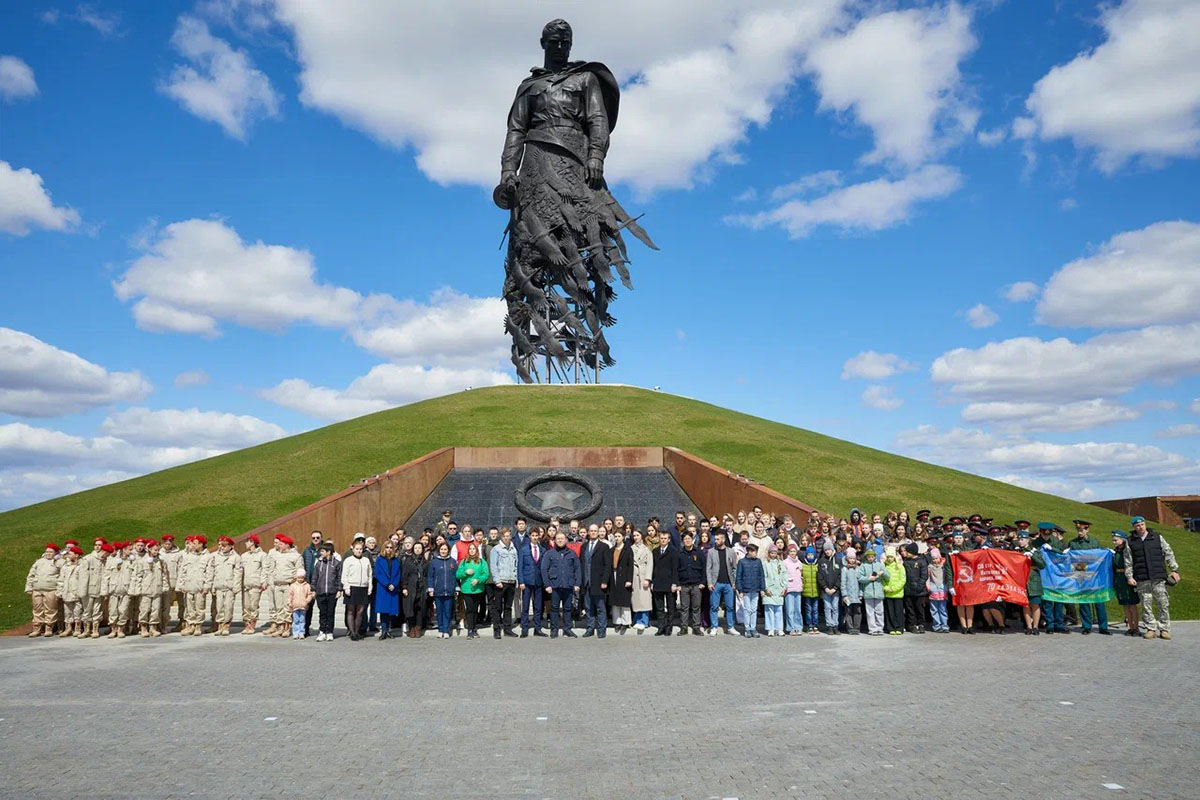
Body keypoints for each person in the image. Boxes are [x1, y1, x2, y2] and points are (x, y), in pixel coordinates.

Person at [1125, 516, 1181, 640]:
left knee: (1163, 603)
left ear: (1145, 524)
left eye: (1142, 524)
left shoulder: (1156, 537)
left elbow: (1168, 552)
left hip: (1158, 577)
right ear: (1134, 527)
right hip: (1142, 578)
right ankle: (1150, 628)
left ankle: (1164, 628)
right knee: (1146, 604)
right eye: (1137, 525)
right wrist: (1129, 576)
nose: (1140, 527)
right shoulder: (1130, 541)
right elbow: (1128, 560)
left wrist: (1174, 570)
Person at [1066, 519, 1109, 635]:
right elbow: (1070, 560)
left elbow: (1100, 558)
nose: (1080, 532)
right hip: (1080, 572)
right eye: (1078, 530)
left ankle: (1103, 626)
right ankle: (1086, 626)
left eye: (1082, 530)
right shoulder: (1073, 543)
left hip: (1094, 574)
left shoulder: (1094, 542)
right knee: (1084, 601)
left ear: (1087, 530)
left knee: (1099, 601)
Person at [541, 530, 581, 638]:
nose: (560, 540)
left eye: (562, 539)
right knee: (554, 609)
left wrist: (577, 583)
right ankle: (554, 630)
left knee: (568, 608)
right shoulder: (549, 553)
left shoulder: (571, 553)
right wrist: (547, 584)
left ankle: (567, 629)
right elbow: (544, 569)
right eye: (558, 539)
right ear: (554, 540)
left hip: (568, 585)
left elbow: (577, 569)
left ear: (566, 540)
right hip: (555, 585)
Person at [266, 535, 302, 638]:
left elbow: (298, 571)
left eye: (281, 544)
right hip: (277, 584)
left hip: (288, 585)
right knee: (279, 607)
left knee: (287, 607)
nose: (279, 546)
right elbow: (272, 569)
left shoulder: (296, 556)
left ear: (287, 545)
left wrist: (294, 584)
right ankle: (280, 627)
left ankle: (287, 627)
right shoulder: (276, 555)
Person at [487, 528, 519, 639]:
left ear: (511, 536)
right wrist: (497, 580)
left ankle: (507, 629)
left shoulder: (514, 549)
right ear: (501, 537)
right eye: (504, 536)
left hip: (511, 581)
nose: (506, 538)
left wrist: (517, 580)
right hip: (501, 582)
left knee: (508, 607)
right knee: (497, 607)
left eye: (508, 536)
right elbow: (493, 566)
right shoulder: (496, 549)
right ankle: (496, 630)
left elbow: (516, 566)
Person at [131, 540, 168, 638]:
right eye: (154, 550)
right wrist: (137, 588)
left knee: (155, 609)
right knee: (144, 609)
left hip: (157, 589)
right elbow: (138, 576)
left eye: (157, 550)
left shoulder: (161, 561)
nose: (156, 552)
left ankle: (153, 628)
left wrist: (165, 586)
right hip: (146, 589)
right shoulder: (143, 561)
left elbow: (164, 575)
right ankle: (143, 627)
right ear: (150, 550)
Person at [705, 530, 739, 636]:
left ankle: (730, 627)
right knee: (714, 606)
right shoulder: (711, 551)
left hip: (728, 583)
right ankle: (714, 627)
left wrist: (734, 582)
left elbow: (734, 568)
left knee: (730, 607)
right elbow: (708, 568)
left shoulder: (730, 551)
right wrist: (710, 583)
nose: (716, 541)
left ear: (723, 539)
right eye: (715, 539)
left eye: (718, 539)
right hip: (716, 583)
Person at [580, 525, 611, 638]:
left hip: (598, 582)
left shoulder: (604, 546)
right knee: (588, 607)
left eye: (595, 531)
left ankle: (601, 630)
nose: (593, 532)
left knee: (600, 607)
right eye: (591, 531)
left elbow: (608, 565)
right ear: (588, 532)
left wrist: (605, 581)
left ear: (598, 532)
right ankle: (590, 628)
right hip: (586, 582)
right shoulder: (584, 546)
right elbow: (581, 564)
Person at [177, 536, 211, 637]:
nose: (193, 545)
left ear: (201, 544)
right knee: (189, 608)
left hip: (199, 587)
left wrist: (206, 586)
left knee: (199, 607)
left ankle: (198, 626)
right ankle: (190, 625)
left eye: (195, 543)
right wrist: (181, 585)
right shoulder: (188, 556)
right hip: (189, 585)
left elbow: (209, 574)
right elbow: (183, 571)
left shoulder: (207, 557)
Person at [209, 536, 243, 636]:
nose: (222, 547)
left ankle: (226, 625)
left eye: (224, 545)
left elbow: (238, 573)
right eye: (221, 545)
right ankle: (220, 625)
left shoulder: (235, 557)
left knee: (228, 607)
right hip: (219, 585)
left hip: (229, 586)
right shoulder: (215, 556)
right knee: (219, 607)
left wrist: (236, 586)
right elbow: (212, 572)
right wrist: (212, 585)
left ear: (230, 546)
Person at [341, 539, 374, 641]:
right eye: (357, 549)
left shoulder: (366, 560)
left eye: (360, 549)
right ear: (353, 549)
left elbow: (370, 575)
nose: (359, 551)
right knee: (351, 611)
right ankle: (352, 632)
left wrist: (370, 587)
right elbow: (344, 575)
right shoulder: (348, 560)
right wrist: (346, 587)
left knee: (360, 611)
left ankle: (357, 631)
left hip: (363, 587)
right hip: (352, 587)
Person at [1110, 530, 1141, 636]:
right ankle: (1130, 628)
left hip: (1128, 578)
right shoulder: (1116, 552)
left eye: (1116, 540)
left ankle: (1136, 627)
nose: (1114, 542)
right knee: (1125, 605)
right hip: (1119, 579)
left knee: (1132, 604)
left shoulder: (1128, 551)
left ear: (1122, 539)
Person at [456, 542, 490, 639]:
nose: (472, 550)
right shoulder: (464, 562)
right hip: (467, 590)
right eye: (470, 549)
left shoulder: (482, 561)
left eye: (473, 549)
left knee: (475, 609)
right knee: (470, 609)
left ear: (476, 550)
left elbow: (485, 574)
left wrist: (478, 580)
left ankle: (474, 628)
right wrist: (465, 572)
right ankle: (470, 629)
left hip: (478, 589)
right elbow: (458, 574)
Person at [517, 528, 546, 637]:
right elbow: (520, 566)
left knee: (538, 606)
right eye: (533, 535)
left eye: (536, 535)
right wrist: (521, 581)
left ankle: (537, 628)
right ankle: (524, 628)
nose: (534, 537)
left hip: (538, 581)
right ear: (530, 537)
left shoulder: (542, 550)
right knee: (525, 606)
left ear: (539, 536)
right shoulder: (523, 549)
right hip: (527, 582)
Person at [310, 542, 342, 641]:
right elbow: (314, 577)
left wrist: (339, 589)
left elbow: (339, 577)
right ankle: (322, 631)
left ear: (329, 552)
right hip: (321, 592)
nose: (321, 553)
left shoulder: (337, 563)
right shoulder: (319, 563)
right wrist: (313, 589)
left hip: (332, 592)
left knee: (330, 612)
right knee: (322, 612)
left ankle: (329, 632)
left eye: (323, 551)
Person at [427, 542, 459, 639]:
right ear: (439, 550)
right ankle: (440, 629)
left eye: (445, 549)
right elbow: (430, 576)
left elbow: (456, 576)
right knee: (439, 611)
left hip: (449, 591)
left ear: (448, 550)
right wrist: (431, 588)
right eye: (442, 549)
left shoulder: (452, 561)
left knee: (448, 611)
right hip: (438, 590)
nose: (443, 551)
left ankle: (446, 630)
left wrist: (457, 588)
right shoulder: (434, 562)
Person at [651, 530, 680, 636]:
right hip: (658, 582)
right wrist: (652, 581)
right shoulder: (655, 551)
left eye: (665, 538)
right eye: (661, 538)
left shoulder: (673, 551)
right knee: (659, 607)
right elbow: (653, 567)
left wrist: (674, 583)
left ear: (669, 540)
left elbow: (675, 569)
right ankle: (661, 626)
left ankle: (669, 627)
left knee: (671, 607)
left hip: (669, 583)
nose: (663, 540)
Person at [676, 531, 705, 635]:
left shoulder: (699, 553)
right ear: (683, 541)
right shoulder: (679, 554)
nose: (687, 540)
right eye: (685, 539)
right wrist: (678, 584)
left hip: (696, 584)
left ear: (693, 539)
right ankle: (684, 627)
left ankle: (696, 627)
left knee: (696, 607)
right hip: (684, 585)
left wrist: (703, 582)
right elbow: (676, 570)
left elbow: (704, 568)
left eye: (689, 538)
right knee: (684, 608)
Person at [240, 535, 269, 635]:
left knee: (253, 606)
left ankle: (252, 625)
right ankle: (246, 625)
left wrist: (264, 581)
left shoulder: (262, 555)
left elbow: (265, 569)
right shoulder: (243, 556)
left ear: (252, 542)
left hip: (255, 585)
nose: (245, 543)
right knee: (246, 606)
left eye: (247, 542)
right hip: (246, 585)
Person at [734, 542, 765, 638]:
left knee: (754, 609)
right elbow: (738, 577)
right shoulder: (742, 562)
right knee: (747, 609)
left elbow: (761, 576)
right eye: (755, 552)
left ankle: (753, 628)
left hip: (755, 589)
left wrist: (762, 589)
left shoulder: (758, 561)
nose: (756, 554)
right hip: (746, 590)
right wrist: (740, 590)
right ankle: (747, 628)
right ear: (749, 552)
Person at [373, 541, 402, 640]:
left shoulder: (396, 560)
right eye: (387, 547)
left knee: (390, 611)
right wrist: (387, 584)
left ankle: (388, 630)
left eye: (391, 547)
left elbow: (398, 574)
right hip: (383, 588)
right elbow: (378, 574)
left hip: (393, 588)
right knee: (383, 610)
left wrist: (394, 584)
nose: (389, 549)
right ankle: (383, 630)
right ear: (384, 548)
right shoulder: (379, 560)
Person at [608, 529, 634, 634]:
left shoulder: (627, 550)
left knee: (624, 601)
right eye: (616, 536)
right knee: (615, 600)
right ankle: (617, 622)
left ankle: (625, 622)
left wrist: (629, 580)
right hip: (613, 575)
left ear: (623, 537)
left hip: (624, 576)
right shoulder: (612, 550)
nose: (617, 538)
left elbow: (630, 566)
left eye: (619, 536)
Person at [55, 545, 84, 638]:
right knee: (67, 611)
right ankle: (68, 628)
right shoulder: (65, 567)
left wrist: (81, 592)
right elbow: (61, 580)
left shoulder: (81, 566)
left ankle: (77, 628)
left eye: (70, 554)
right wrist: (59, 592)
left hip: (76, 592)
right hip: (67, 592)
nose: (68, 555)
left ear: (76, 555)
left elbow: (83, 581)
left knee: (77, 611)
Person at [158, 534, 183, 634]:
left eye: (169, 543)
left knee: (182, 604)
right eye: (166, 543)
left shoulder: (178, 554)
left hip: (175, 582)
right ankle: (162, 625)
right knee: (164, 606)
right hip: (164, 583)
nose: (167, 545)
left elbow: (181, 569)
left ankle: (182, 623)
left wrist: (180, 583)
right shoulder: (159, 553)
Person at [301, 530, 324, 636]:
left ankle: (322, 629)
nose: (315, 539)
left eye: (317, 538)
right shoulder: (307, 551)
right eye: (313, 538)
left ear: (321, 538)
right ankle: (306, 629)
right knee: (308, 608)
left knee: (322, 608)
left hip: (321, 584)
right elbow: (303, 565)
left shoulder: (325, 550)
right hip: (309, 583)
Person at [901, 543, 928, 634]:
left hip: (919, 590)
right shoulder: (906, 562)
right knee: (910, 609)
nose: (906, 553)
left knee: (919, 608)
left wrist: (919, 586)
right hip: (908, 589)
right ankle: (912, 625)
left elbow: (924, 575)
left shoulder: (921, 561)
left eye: (907, 551)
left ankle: (921, 624)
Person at [762, 545, 786, 636]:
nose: (773, 555)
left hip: (779, 589)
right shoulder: (765, 563)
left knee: (779, 610)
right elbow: (764, 576)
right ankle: (770, 628)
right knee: (769, 610)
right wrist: (766, 588)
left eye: (775, 553)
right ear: (769, 553)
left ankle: (779, 628)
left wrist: (784, 587)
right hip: (770, 589)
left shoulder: (780, 563)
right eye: (772, 553)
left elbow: (784, 575)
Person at [881, 546, 906, 635]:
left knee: (898, 612)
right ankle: (890, 627)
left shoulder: (900, 566)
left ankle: (899, 627)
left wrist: (894, 588)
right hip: (888, 593)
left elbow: (902, 579)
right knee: (889, 612)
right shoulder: (884, 567)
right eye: (888, 557)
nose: (890, 559)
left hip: (898, 593)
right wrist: (886, 588)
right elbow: (882, 580)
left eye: (891, 557)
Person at [817, 543, 841, 634]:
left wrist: (835, 588)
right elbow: (819, 576)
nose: (827, 551)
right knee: (827, 608)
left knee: (835, 607)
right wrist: (825, 587)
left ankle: (835, 625)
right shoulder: (822, 561)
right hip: (826, 590)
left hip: (835, 590)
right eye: (826, 550)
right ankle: (830, 626)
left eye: (829, 549)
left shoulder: (838, 561)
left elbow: (840, 576)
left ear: (832, 550)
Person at [925, 548, 950, 633]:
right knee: (934, 609)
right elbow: (928, 578)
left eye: (936, 558)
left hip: (942, 590)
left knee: (943, 609)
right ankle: (936, 626)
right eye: (933, 559)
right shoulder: (930, 567)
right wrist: (929, 587)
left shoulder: (943, 566)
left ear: (939, 557)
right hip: (933, 590)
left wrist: (946, 587)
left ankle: (945, 625)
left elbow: (946, 578)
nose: (935, 560)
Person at [839, 547, 863, 634]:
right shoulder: (845, 569)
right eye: (850, 558)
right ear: (847, 559)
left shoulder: (858, 569)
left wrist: (861, 594)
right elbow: (843, 583)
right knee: (848, 612)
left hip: (857, 595)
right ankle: (850, 628)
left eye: (854, 558)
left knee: (857, 612)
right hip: (848, 596)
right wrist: (844, 595)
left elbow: (861, 582)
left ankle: (857, 628)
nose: (852, 560)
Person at [288, 569, 315, 640]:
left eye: (302, 578)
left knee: (302, 620)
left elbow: (309, 594)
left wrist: (307, 601)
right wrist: (290, 602)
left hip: (303, 606)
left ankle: (301, 632)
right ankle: (295, 633)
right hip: (295, 606)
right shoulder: (293, 585)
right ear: (296, 577)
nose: (300, 579)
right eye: (299, 578)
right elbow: (290, 595)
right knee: (296, 620)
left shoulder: (307, 585)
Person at [800, 547, 820, 634]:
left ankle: (815, 624)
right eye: (809, 555)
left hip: (816, 591)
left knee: (815, 609)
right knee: (808, 610)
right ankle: (809, 625)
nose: (810, 556)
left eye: (812, 555)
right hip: (806, 591)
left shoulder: (817, 565)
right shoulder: (803, 566)